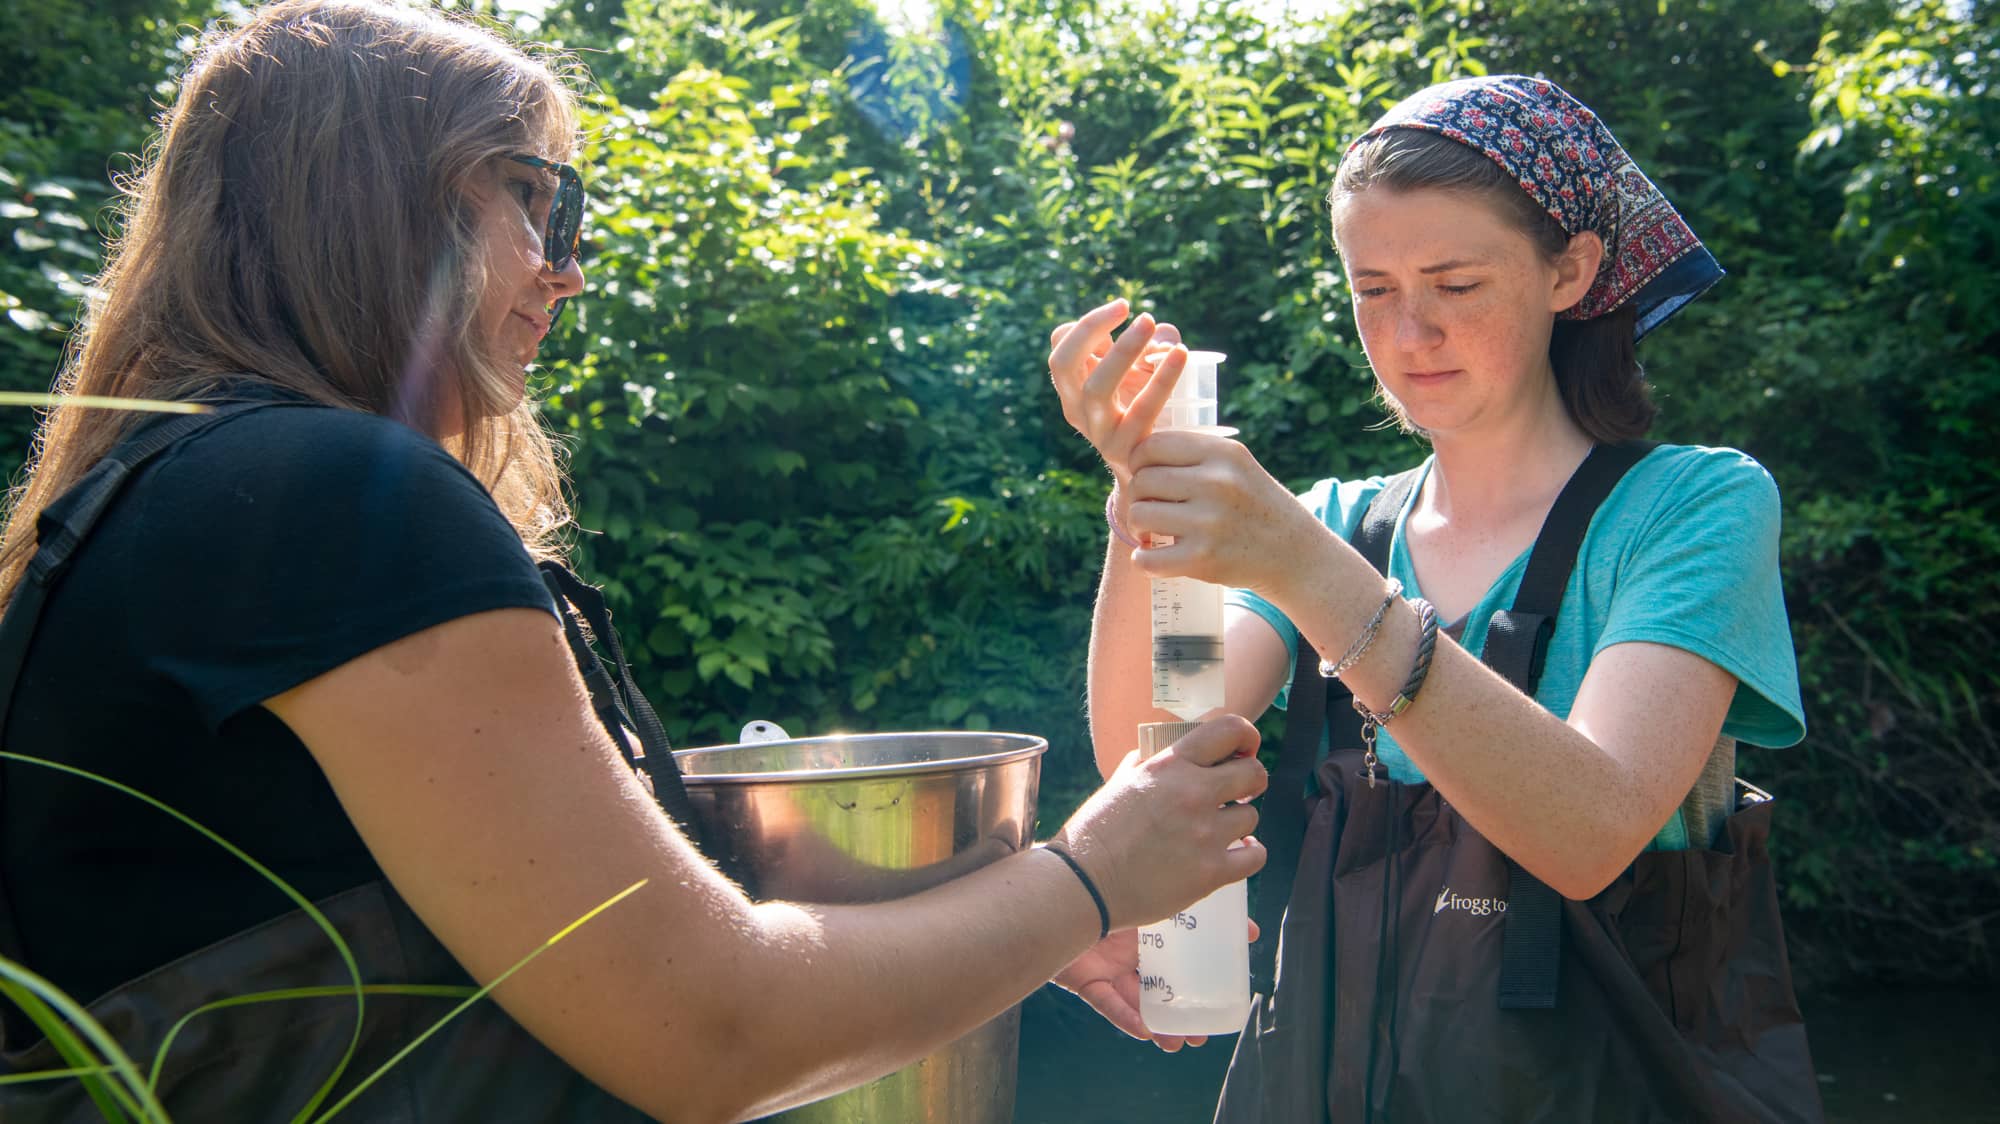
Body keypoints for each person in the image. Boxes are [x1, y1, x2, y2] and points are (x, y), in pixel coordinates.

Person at [0, 3, 1268, 1121]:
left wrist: (995, 930)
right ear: (382, 200)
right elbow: (709, 1030)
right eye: (538, 197)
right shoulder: (336, 501)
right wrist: (1091, 876)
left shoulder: (169, 492)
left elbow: (533, 928)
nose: (568, 267)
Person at [1050, 76, 1820, 1120]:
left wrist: (1307, 569)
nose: (1409, 333)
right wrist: (1137, 495)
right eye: (1371, 289)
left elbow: (1588, 831)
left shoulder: (1692, 506)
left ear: (1570, 270)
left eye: (1453, 284)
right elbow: (1150, 759)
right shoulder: (1334, 521)